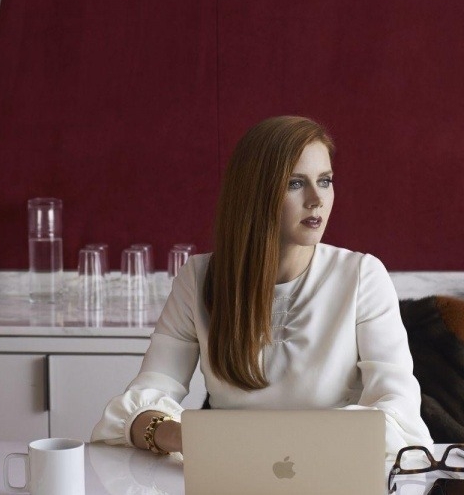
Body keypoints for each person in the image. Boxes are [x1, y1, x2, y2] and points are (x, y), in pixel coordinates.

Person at [91, 115, 433, 455]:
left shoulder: (361, 275)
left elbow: (398, 410)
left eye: (325, 180)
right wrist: (185, 437)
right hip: (232, 468)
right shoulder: (199, 277)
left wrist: (286, 443)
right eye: (295, 183)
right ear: (254, 192)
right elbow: (146, 396)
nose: (316, 199)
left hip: (333, 465)